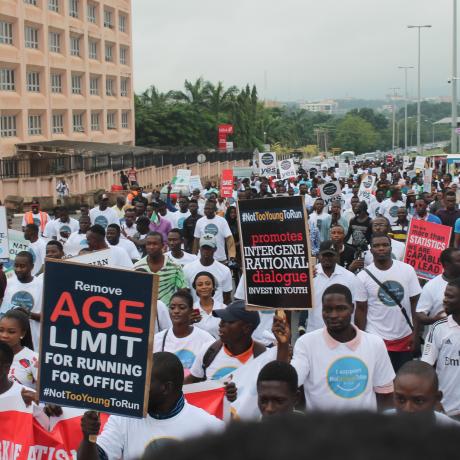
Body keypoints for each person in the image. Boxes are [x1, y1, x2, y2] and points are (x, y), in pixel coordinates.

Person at [78, 352, 224, 460]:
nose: (135, 389)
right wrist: (88, 438)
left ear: (166, 388)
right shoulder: (125, 418)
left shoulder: (210, 428)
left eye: (144, 384)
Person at [275, 284, 395, 411]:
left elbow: (385, 396)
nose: (333, 315)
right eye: (327, 309)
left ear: (352, 308)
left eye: (340, 308)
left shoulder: (375, 344)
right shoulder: (306, 343)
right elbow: (286, 385)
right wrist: (283, 345)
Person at [355, 234, 422, 372]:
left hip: (404, 337)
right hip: (375, 338)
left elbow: (416, 303)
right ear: (371, 250)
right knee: (380, 382)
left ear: (391, 248)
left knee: (402, 380)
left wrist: (416, 334)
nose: (381, 248)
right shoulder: (362, 277)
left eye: (385, 245)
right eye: (377, 246)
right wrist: (360, 340)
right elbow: (361, 309)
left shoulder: (407, 270)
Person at [185, 300, 265, 382]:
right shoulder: (208, 350)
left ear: (246, 328)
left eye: (229, 321)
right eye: (222, 319)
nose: (220, 324)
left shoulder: (264, 357)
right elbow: (190, 382)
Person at [304, 241, 364, 333]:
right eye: (324, 255)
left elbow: (357, 307)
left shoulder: (350, 277)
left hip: (342, 334)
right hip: (315, 332)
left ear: (337, 256)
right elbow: (297, 306)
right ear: (319, 256)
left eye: (331, 255)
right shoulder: (309, 275)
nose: (327, 258)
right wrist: (304, 281)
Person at [422, 278, 460, 418]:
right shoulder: (439, 328)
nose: (444, 300)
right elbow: (426, 368)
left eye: (450, 296)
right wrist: (434, 402)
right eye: (445, 295)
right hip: (445, 410)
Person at [154, 291, 214, 375]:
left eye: (182, 307)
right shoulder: (157, 339)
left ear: (191, 311)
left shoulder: (206, 339)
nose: (176, 311)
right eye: (172, 307)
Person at [392, 360, 459, 425]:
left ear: (437, 398)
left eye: (418, 401)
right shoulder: (382, 426)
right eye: (401, 399)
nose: (408, 409)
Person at [0, 252, 43, 351]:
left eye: (22, 266)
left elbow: (48, 317)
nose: (18, 269)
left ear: (32, 267)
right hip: (7, 341)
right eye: (16, 266)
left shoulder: (42, 285)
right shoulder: (8, 283)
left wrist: (26, 314)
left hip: (33, 340)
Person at [133, 232, 187, 305]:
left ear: (162, 245)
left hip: (167, 313)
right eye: (148, 244)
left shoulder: (175, 266)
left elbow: (183, 292)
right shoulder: (137, 267)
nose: (151, 247)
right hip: (145, 311)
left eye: (155, 244)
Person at [416, 247, 460, 327]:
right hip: (440, 336)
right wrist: (435, 319)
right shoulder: (431, 286)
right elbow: (420, 314)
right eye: (459, 261)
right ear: (447, 264)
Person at [183, 235, 232, 305]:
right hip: (197, 313)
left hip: (217, 313)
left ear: (215, 249)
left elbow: (227, 298)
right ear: (199, 248)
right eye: (204, 248)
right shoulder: (187, 268)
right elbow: (186, 296)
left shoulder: (225, 270)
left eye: (209, 248)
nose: (206, 251)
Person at [0, 309, 37, 389]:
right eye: (1, 330)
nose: (4, 335)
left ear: (23, 333)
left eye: (11, 332)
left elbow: (44, 394)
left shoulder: (34, 359)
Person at [193, 271, 227, 338]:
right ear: (195, 288)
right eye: (200, 284)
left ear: (213, 286)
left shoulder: (224, 308)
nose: (204, 287)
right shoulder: (191, 310)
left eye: (208, 284)